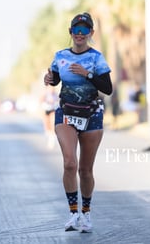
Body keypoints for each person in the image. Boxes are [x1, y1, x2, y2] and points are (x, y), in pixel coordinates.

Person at [43, 12, 112, 233]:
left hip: (91, 114)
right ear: (70, 32)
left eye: (85, 30)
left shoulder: (97, 58)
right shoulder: (60, 55)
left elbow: (107, 88)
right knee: (70, 163)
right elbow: (54, 79)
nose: (80, 34)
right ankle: (73, 213)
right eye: (76, 30)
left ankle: (87, 214)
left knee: (85, 170)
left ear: (91, 33)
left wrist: (87, 74)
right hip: (66, 112)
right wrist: (49, 79)